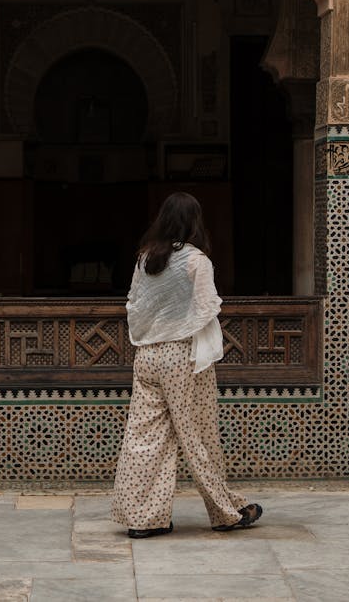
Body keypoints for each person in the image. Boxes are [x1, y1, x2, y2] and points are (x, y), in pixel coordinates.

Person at [111, 191, 263, 538]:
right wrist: (183, 325)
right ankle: (225, 513)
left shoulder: (145, 258)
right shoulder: (197, 261)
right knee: (198, 436)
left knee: (144, 438)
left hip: (147, 356)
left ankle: (144, 518)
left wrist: (159, 327)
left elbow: (134, 305)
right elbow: (207, 308)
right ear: (195, 221)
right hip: (182, 358)